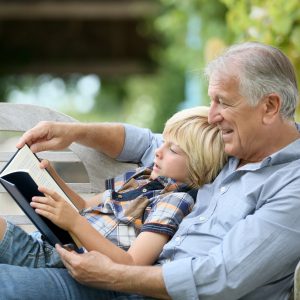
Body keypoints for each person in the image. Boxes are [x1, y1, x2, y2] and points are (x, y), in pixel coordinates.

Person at [0, 41, 300, 300]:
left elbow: (220, 277)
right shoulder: (230, 146)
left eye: (222, 102)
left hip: (130, 285)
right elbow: (144, 142)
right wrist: (74, 132)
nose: (212, 115)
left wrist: (113, 275)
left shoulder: (291, 186)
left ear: (270, 107)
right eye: (211, 101)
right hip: (111, 277)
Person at [14, 106, 226, 267]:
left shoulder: (177, 200)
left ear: (199, 164)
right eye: (163, 142)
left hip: (65, 260)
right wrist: (53, 177)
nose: (158, 152)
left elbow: (132, 264)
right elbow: (85, 205)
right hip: (50, 241)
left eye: (173, 150)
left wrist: (74, 222)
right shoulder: (145, 176)